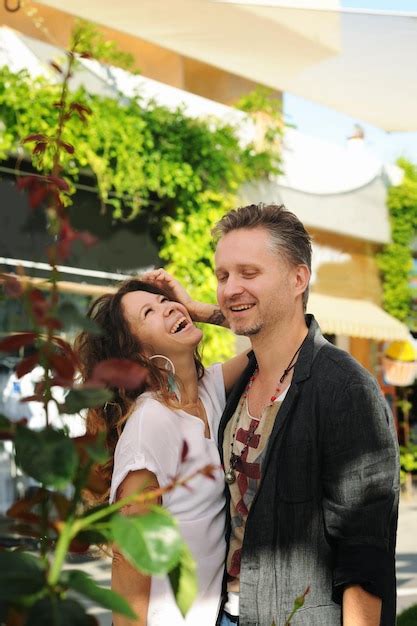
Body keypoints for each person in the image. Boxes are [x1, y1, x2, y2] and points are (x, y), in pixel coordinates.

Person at [194, 203, 399, 626]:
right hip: (225, 613)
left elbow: (364, 555)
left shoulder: (345, 388)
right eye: (222, 276)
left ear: (298, 278)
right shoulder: (240, 380)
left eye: (249, 274)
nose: (231, 288)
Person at [75, 279, 248, 626]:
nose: (168, 306)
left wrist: (199, 309)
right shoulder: (150, 424)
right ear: (136, 354)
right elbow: (129, 560)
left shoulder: (210, 390)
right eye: (149, 312)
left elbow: (283, 337)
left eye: (164, 300)